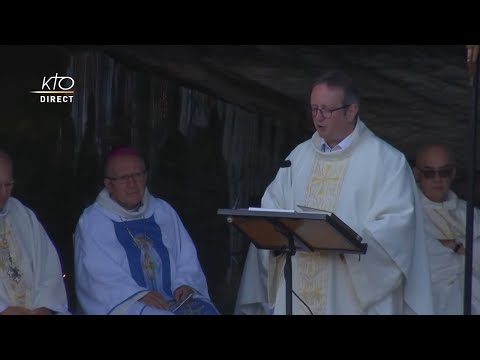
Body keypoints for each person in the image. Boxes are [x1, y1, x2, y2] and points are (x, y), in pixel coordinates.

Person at [234, 69, 434, 315]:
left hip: (348, 293)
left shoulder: (386, 162)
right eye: (314, 109)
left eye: (326, 110)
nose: (318, 117)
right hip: (298, 285)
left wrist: (343, 242)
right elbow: (272, 208)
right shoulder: (299, 157)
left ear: (351, 111)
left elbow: (397, 228)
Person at [74, 146, 220, 315]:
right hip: (128, 303)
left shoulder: (162, 211)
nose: (132, 184)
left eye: (137, 175)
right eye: (123, 178)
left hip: (175, 298)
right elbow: (96, 277)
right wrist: (136, 295)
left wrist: (185, 283)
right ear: (109, 184)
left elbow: (186, 257)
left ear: (146, 177)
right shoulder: (93, 220)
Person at [0, 149, 69, 315]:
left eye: (7, 185)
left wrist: (45, 307)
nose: (3, 193)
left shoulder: (22, 214)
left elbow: (49, 270)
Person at [414, 143, 480, 315]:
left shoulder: (471, 214)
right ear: (417, 175)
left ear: (454, 173)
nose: (437, 179)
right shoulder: (407, 213)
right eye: (429, 173)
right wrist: (464, 251)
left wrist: (454, 246)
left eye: (444, 172)